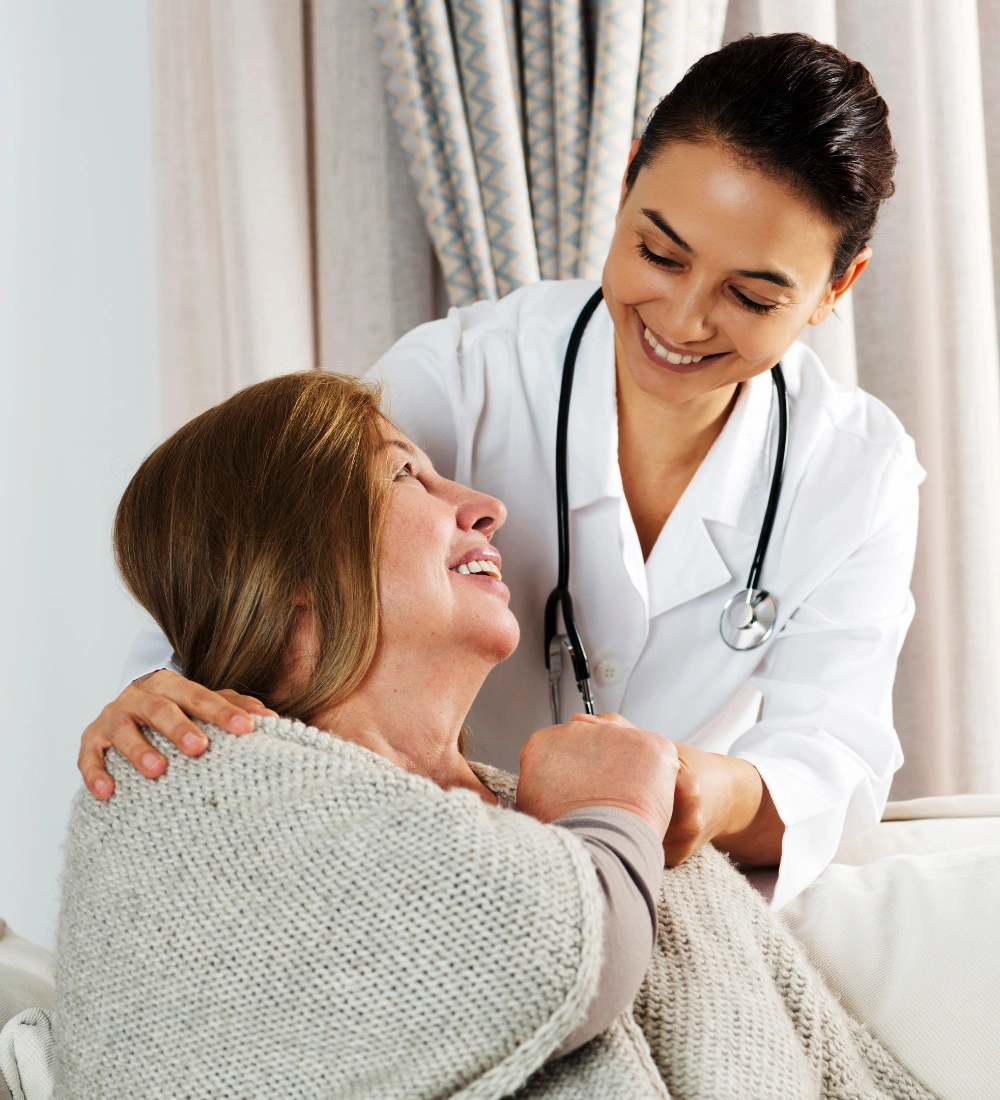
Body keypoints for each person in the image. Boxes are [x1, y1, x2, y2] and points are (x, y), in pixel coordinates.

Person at [78, 34, 923, 908]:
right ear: (628, 179)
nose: (682, 319)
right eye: (660, 254)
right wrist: (157, 695)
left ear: (837, 287)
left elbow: (834, 758)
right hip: (415, 857)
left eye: (750, 296)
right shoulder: (458, 381)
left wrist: (697, 791)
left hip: (653, 879)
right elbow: (241, 587)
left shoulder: (857, 472)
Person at [55, 371, 934, 1100]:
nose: (486, 507)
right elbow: (556, 954)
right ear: (282, 564)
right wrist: (610, 810)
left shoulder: (543, 809)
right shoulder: (185, 785)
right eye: (406, 476)